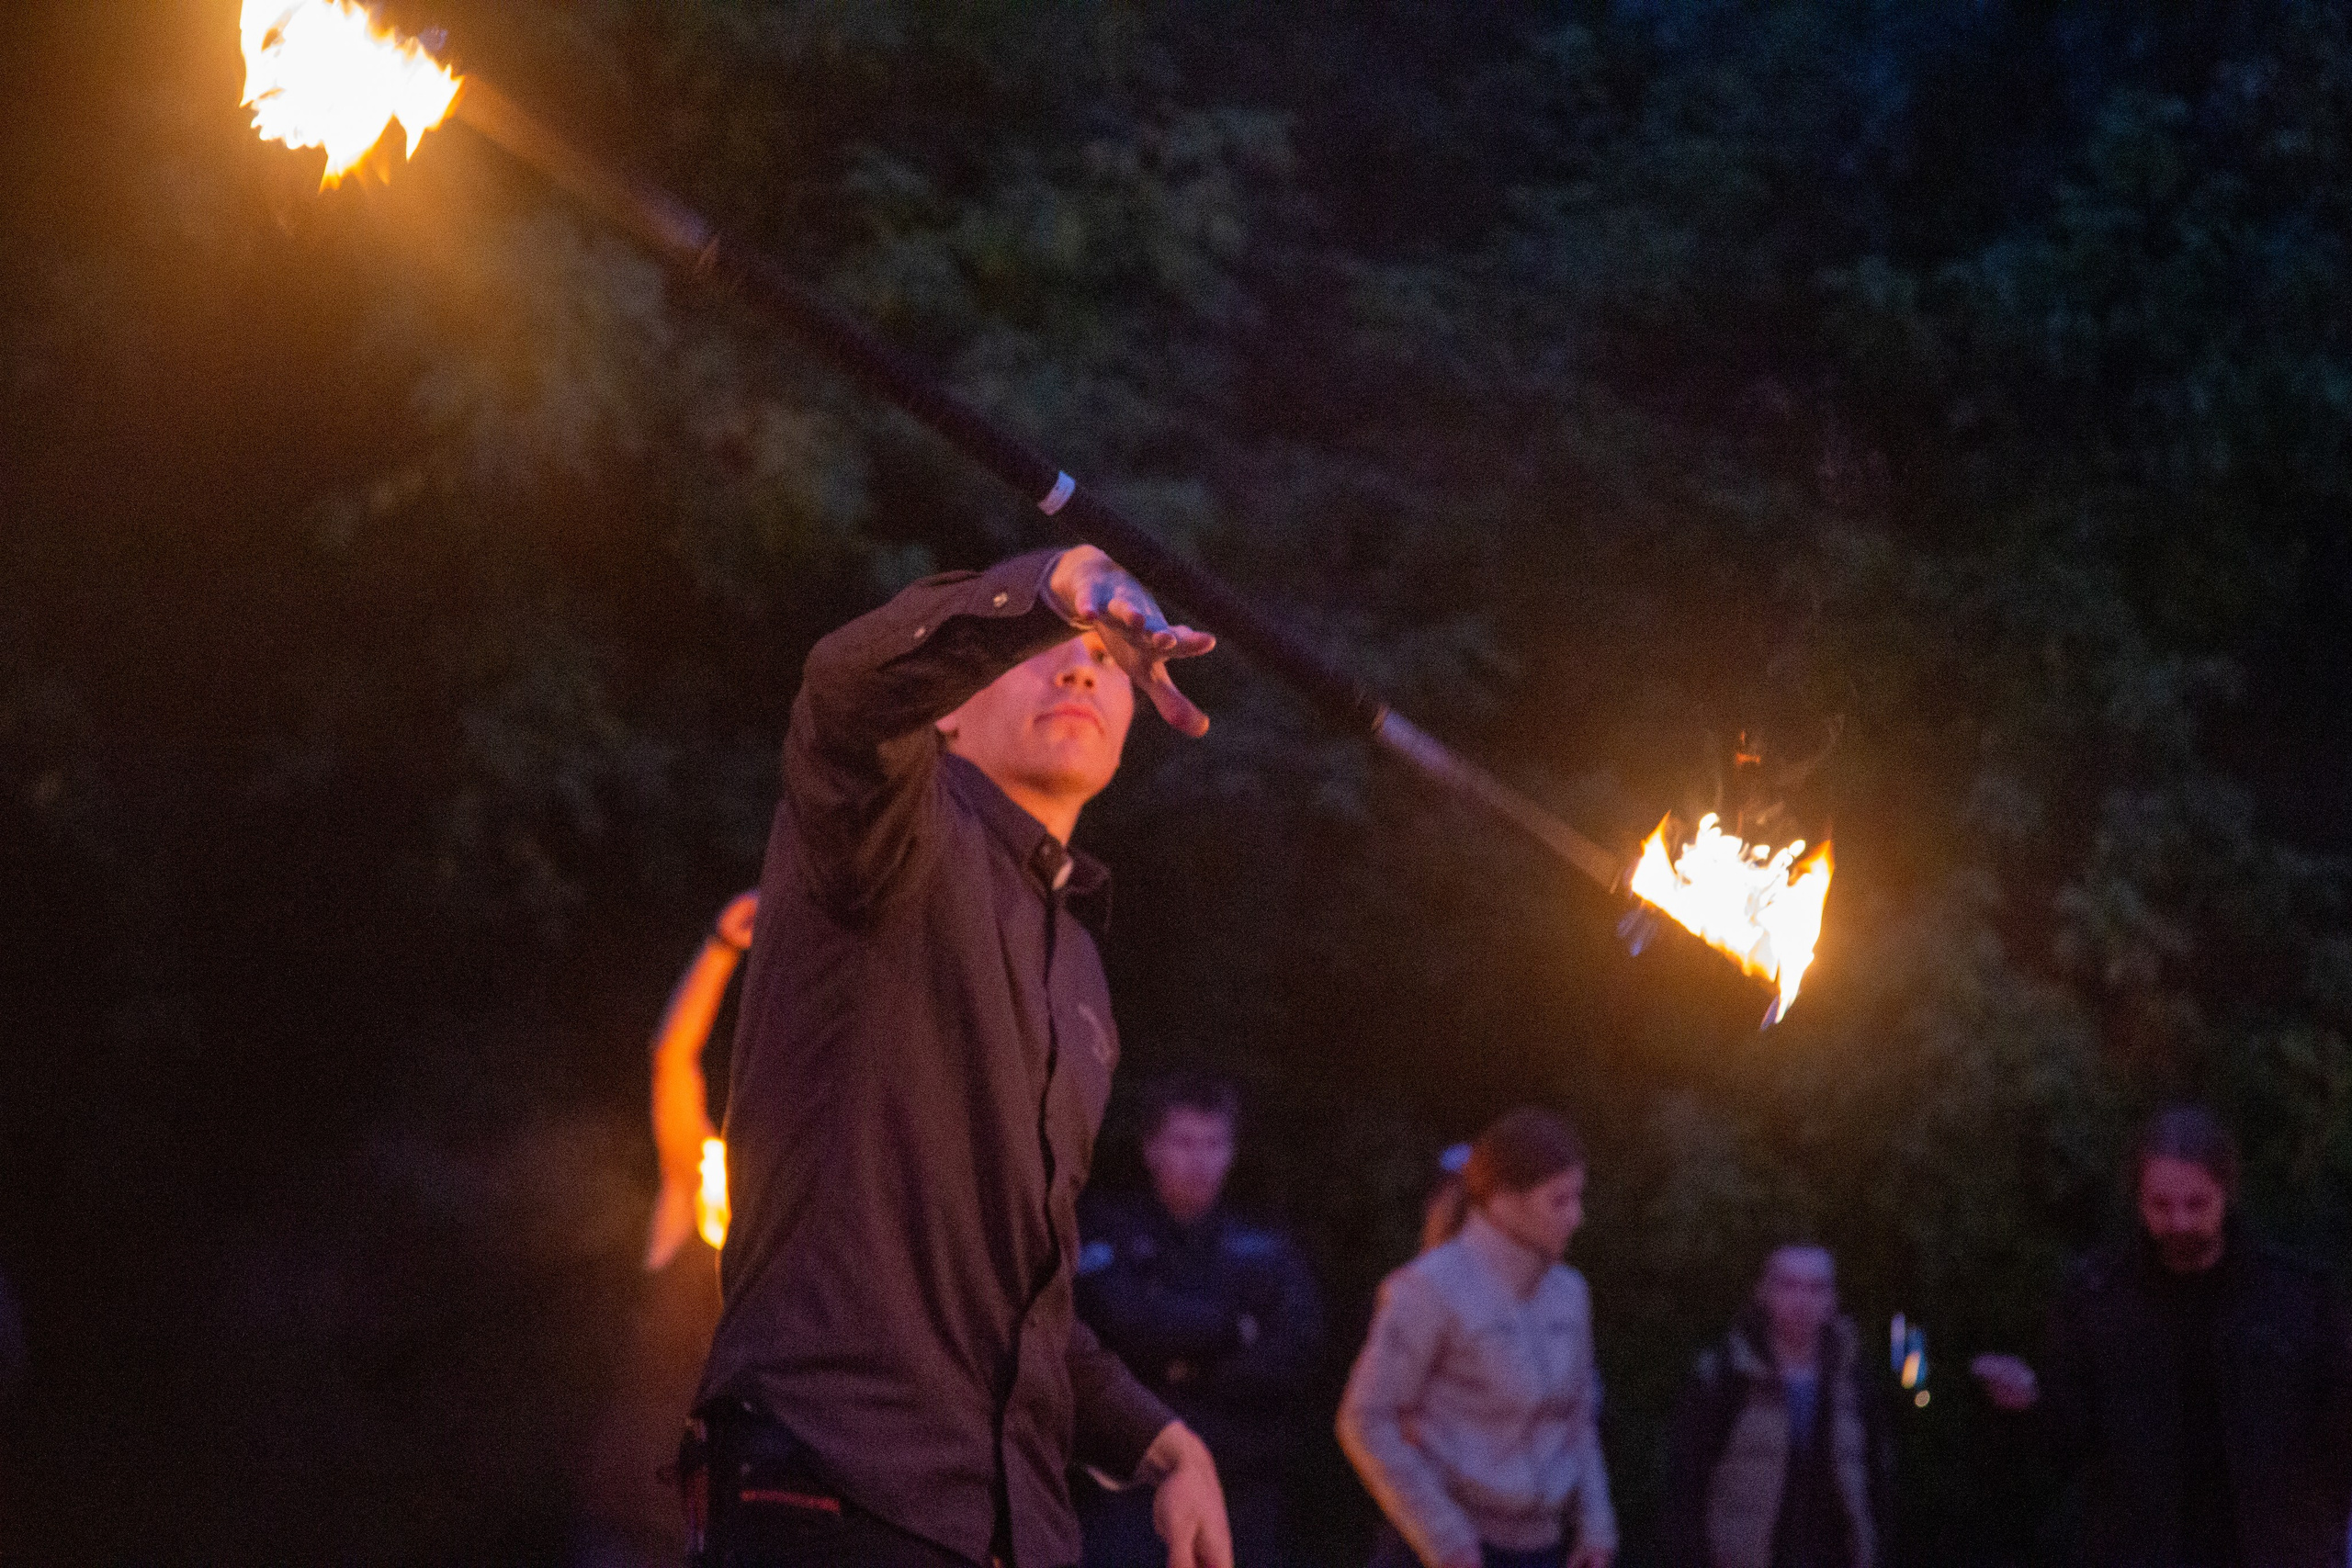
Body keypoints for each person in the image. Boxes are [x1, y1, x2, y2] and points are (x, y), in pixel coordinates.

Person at [691, 545, 1231, 1568]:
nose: (1079, 670)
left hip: (1006, 1525)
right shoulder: (883, 833)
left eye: (1106, 663)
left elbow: (1015, 1291)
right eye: (1045, 651)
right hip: (834, 1483)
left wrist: (1159, 1440)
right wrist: (1048, 589)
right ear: (947, 707)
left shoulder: (1076, 968)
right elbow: (845, 697)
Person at [1969, 1105, 2352, 1568]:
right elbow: (2072, 1440)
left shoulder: (2297, 1297)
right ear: (2138, 1200)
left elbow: (2336, 1425)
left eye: (2197, 1204)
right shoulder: (2098, 1300)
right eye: (2161, 1205)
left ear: (2227, 1193)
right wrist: (2030, 1402)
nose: (2179, 1223)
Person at [1338, 1108, 1617, 1568]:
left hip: (1542, 1548)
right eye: (1559, 1200)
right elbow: (1365, 1419)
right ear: (1505, 1202)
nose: (1576, 1217)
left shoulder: (1569, 1293)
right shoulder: (1429, 1290)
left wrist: (1596, 1526)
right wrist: (1444, 1537)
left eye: (1578, 1197)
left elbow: (1579, 1420)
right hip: (1449, 1548)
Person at [1074, 1074, 1324, 1568]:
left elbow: (1296, 1353)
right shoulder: (1107, 1229)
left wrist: (1178, 1363)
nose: (1199, 1160)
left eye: (1214, 1143)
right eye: (1185, 1142)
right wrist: (1234, 1330)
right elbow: (1115, 1326)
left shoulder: (1264, 1245)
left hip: (1244, 1487)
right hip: (1128, 1491)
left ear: (1232, 1151)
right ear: (1151, 1148)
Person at [1658, 1245, 1894, 1568]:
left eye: (1816, 1288)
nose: (1802, 1300)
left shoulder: (1855, 1381)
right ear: (1763, 1292)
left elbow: (1877, 1482)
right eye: (1788, 1285)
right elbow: (1687, 1482)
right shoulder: (1727, 1375)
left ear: (1832, 1300)